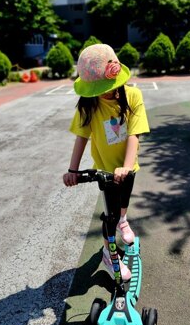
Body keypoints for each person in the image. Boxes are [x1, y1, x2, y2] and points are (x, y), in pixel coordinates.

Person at [63, 43, 150, 282]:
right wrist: (73, 170)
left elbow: (134, 133)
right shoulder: (88, 104)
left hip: (128, 164)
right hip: (105, 168)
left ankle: (124, 220)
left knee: (124, 200)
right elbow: (82, 137)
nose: (101, 93)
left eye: (103, 88)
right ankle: (108, 254)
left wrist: (127, 165)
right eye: (96, 89)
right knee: (109, 215)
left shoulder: (133, 96)